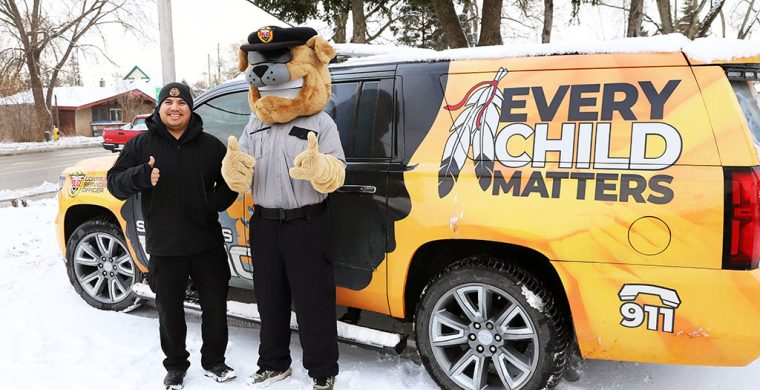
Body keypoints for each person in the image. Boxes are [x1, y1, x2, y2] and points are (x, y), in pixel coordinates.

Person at [221, 26, 345, 390]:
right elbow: (241, 169)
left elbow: (338, 170)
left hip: (306, 223)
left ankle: (322, 371)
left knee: (314, 301)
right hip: (264, 223)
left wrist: (319, 168)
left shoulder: (320, 122)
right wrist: (234, 170)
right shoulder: (255, 123)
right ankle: (274, 364)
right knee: (269, 299)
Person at [106, 82, 238, 390]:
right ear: (160, 108)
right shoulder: (141, 145)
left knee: (216, 305)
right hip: (165, 245)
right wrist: (140, 176)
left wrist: (211, 204)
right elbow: (114, 183)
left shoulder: (210, 146)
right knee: (170, 309)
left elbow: (230, 184)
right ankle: (176, 365)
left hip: (206, 242)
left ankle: (214, 361)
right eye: (168, 103)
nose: (175, 108)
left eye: (181, 104)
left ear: (190, 109)